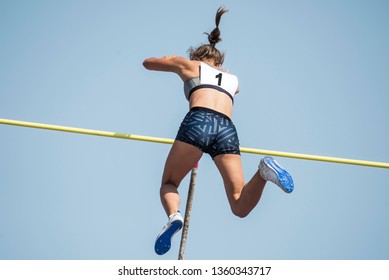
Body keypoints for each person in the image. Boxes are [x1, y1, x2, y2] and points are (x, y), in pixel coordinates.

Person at [143, 7, 294, 256]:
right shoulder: (233, 80)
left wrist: (172, 59)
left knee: (169, 183)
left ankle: (174, 216)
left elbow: (147, 63)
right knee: (239, 205)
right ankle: (263, 171)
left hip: (199, 121)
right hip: (226, 129)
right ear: (220, 63)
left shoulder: (191, 65)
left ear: (197, 57)